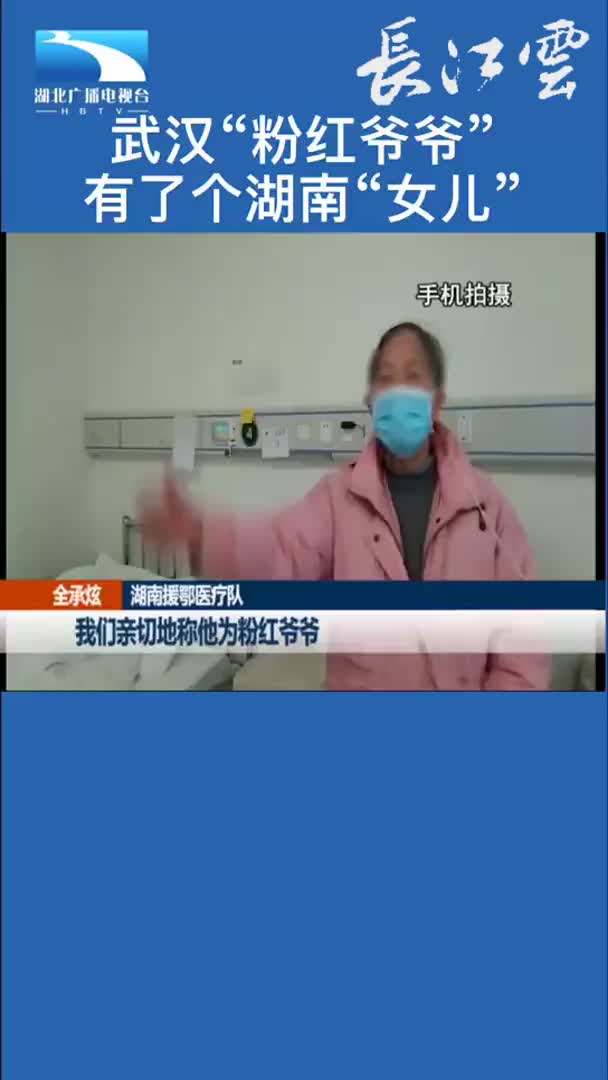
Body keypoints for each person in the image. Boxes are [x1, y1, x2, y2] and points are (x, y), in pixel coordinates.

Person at [139, 322, 550, 691]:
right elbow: (280, 550)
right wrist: (202, 536)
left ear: (437, 401)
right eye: (386, 380)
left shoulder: (485, 508)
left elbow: (522, 643)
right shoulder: (338, 499)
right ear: (371, 402)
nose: (398, 391)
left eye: (412, 377)